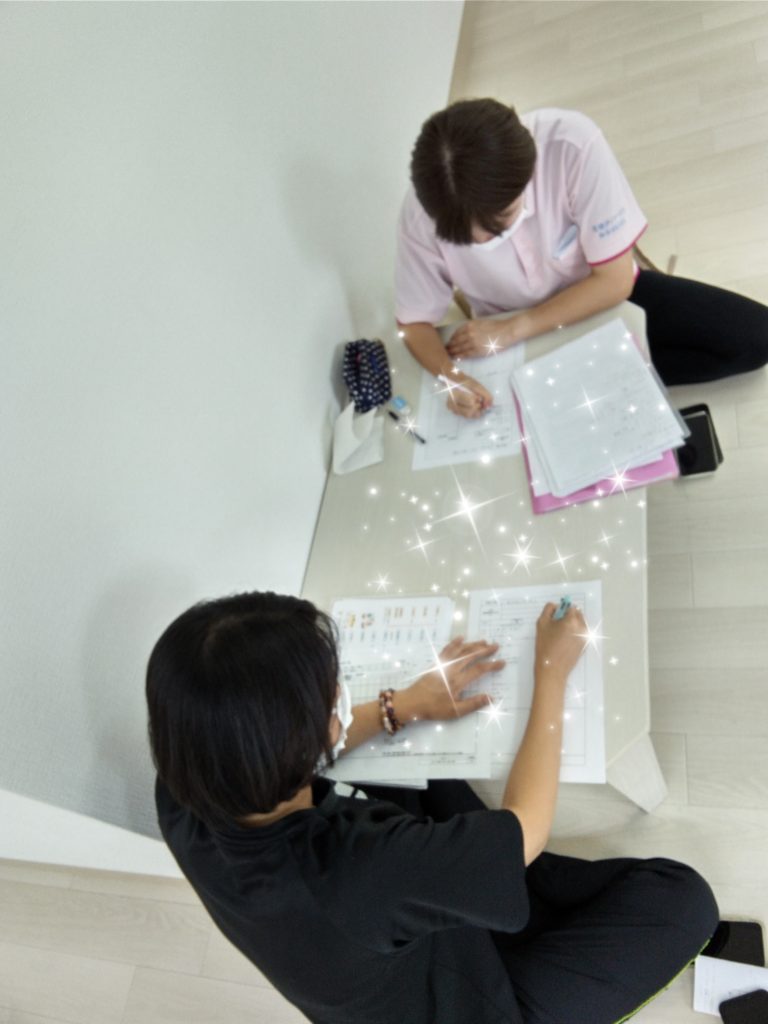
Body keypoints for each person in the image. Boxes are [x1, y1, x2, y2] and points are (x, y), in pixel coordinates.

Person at [147, 591, 719, 1024]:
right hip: (474, 1002)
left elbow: (295, 753)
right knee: (684, 900)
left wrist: (401, 707)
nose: (344, 701)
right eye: (334, 697)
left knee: (416, 766)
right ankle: (497, 881)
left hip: (384, 947)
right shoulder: (362, 871)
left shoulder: (182, 790)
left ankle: (492, 877)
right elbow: (528, 827)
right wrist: (551, 673)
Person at [395, 100, 768, 418]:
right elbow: (414, 323)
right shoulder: (423, 213)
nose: (483, 240)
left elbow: (614, 281)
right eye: (467, 237)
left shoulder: (572, 146)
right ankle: (584, 385)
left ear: (527, 175)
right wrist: (450, 380)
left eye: (500, 222)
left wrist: (514, 329)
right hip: (512, 338)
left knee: (756, 338)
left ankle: (588, 382)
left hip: (594, 296)